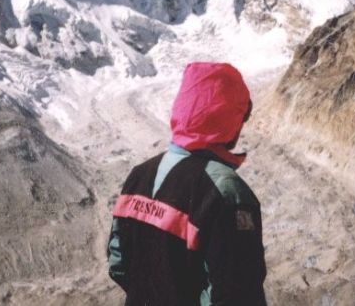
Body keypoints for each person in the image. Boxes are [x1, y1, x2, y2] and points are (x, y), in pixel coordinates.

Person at [107, 62, 267, 305]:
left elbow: (118, 263)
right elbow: (237, 294)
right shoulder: (226, 192)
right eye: (241, 115)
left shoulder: (138, 176)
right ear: (228, 118)